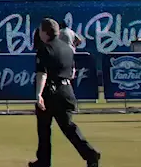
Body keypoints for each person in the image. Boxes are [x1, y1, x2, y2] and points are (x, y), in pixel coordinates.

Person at [31, 17, 100, 167]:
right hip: (66, 90)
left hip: (51, 91)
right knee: (69, 127)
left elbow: (42, 73)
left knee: (44, 129)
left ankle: (43, 161)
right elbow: (72, 72)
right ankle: (90, 154)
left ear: (44, 32)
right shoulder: (68, 48)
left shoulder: (45, 49)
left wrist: (39, 94)